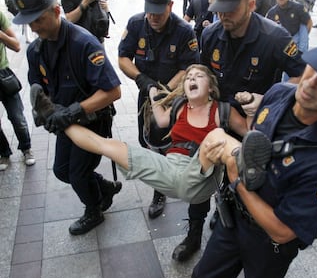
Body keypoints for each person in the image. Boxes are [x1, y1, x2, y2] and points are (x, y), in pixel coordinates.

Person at [192, 19, 317, 278]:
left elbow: (282, 232)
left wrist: (236, 173)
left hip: (267, 244)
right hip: (232, 219)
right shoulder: (279, 92)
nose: (311, 82)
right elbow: (259, 133)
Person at [30, 64, 250, 205]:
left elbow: (249, 132)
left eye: (199, 76)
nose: (192, 78)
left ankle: (249, 168)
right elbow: (160, 119)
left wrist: (250, 107)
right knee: (109, 146)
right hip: (171, 171)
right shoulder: (180, 106)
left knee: (216, 136)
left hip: (200, 178)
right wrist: (153, 92)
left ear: (211, 87)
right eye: (189, 76)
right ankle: (54, 117)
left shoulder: (222, 110)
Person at [200, 0, 306, 256]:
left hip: (256, 120)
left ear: (251, 4)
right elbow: (204, 72)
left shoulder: (275, 36)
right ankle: (219, 207)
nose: (224, 16)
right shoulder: (211, 34)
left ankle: (246, 213)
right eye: (219, 10)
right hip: (221, 115)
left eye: (230, 9)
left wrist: (273, 96)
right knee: (220, 167)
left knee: (250, 171)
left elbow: (302, 74)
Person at [13, 0, 122, 235]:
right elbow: (36, 85)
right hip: (65, 122)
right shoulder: (36, 49)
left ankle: (93, 211)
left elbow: (113, 91)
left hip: (93, 122)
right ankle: (105, 187)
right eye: (29, 22)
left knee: (77, 174)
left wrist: (75, 110)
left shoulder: (84, 43)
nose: (33, 27)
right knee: (62, 171)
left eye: (38, 19)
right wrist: (42, 108)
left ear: (56, 11)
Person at [118, 0, 201, 260]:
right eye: (149, 12)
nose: (153, 17)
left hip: (173, 96)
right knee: (150, 143)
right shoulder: (135, 24)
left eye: (159, 13)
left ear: (170, 6)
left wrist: (164, 88)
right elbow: (122, 58)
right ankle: (161, 188)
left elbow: (189, 66)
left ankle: (175, 187)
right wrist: (143, 80)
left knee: (173, 143)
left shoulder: (184, 31)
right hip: (147, 95)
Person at [0, 10, 36, 169]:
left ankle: (26, 148)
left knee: (16, 116)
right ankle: (4, 153)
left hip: (3, 75)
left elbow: (16, 45)